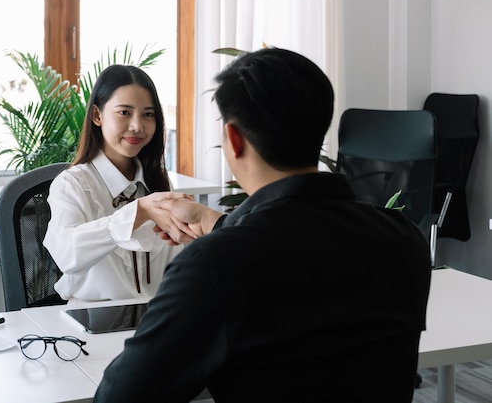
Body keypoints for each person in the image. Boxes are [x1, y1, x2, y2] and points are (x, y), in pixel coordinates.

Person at [93, 48, 432, 402]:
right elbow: (301, 250)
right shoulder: (404, 239)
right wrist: (219, 223)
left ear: (234, 139)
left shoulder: (214, 266)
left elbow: (121, 397)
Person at [43, 64, 193, 303]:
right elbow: (66, 254)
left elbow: (175, 271)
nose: (137, 126)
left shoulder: (159, 184)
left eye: (148, 114)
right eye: (124, 112)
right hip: (90, 322)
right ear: (97, 116)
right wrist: (139, 212)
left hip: (153, 320)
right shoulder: (73, 184)